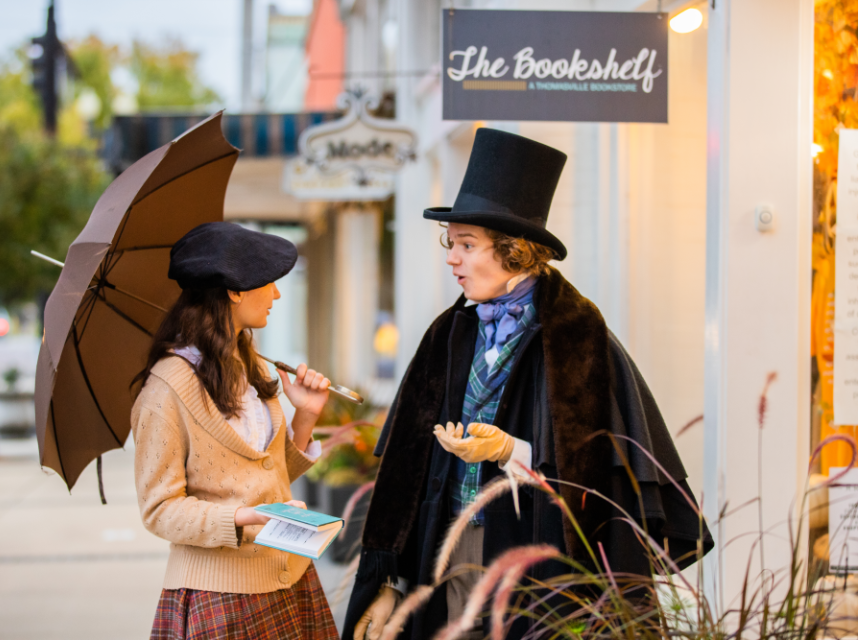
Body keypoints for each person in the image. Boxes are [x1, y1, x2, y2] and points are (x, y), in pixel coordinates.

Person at [344, 129, 712, 640]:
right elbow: (404, 474)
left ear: (515, 251)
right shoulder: (449, 334)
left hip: (536, 570)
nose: (452, 258)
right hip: (446, 552)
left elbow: (597, 477)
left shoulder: (578, 338)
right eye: (452, 243)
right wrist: (390, 582)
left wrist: (509, 449)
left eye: (467, 245)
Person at [132, 222, 340, 640]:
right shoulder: (166, 389)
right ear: (234, 289)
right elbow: (159, 510)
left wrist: (305, 416)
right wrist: (243, 518)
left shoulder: (252, 365)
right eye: (269, 283)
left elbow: (268, 474)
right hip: (220, 597)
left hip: (291, 578)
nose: (277, 294)